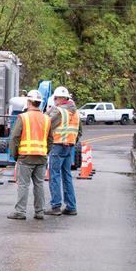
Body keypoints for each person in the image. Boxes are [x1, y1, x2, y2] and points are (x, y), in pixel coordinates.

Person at [7, 89, 51, 220]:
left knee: (23, 185)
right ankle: (40, 211)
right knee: (39, 184)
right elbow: (50, 139)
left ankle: (20, 211)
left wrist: (15, 155)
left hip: (26, 156)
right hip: (41, 157)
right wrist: (44, 151)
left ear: (29, 101)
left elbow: (14, 137)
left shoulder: (23, 117)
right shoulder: (46, 119)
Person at [45, 86, 81, 216]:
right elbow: (79, 131)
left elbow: (46, 124)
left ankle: (55, 206)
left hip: (58, 145)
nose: (54, 100)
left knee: (54, 176)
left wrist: (48, 112)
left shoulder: (58, 111)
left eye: (55, 98)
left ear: (61, 98)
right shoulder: (75, 112)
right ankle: (71, 206)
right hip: (69, 146)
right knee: (67, 176)